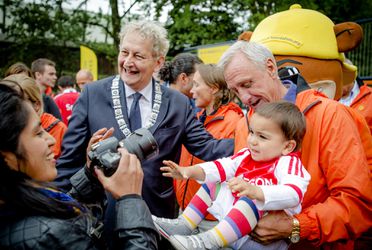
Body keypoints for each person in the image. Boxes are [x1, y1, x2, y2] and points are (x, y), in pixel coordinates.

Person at [55, 20, 234, 246]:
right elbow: (68, 164)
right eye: (124, 52)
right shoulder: (93, 94)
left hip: (158, 221)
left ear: (158, 62)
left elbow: (208, 148)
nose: (128, 62)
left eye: (138, 56)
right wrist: (59, 213)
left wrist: (252, 141)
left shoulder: (178, 103)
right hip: (101, 223)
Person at [218, 41, 371, 249]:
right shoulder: (244, 125)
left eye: (247, 84)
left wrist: (296, 227)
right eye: (235, 90)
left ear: (271, 68)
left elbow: (357, 204)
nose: (244, 98)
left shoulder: (329, 115)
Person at [0, 84, 158, 249]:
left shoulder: (19, 204)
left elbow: (58, 210)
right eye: (38, 133)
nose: (51, 140)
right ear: (7, 156)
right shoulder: (51, 235)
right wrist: (131, 200)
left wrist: (90, 175)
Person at [153, 101, 310, 250]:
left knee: (252, 198)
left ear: (288, 146)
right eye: (252, 133)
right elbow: (221, 166)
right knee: (214, 181)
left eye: (262, 137)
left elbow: (294, 193)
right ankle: (185, 224)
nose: (252, 141)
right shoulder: (246, 155)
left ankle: (207, 242)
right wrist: (188, 171)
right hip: (234, 231)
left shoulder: (287, 163)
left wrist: (257, 191)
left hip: (263, 240)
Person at [175, 63, 243, 226]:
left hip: (213, 219)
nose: (191, 91)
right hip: (187, 212)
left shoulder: (235, 122)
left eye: (197, 85)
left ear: (213, 88)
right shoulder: (195, 119)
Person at [1, 74, 67, 159]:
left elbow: (67, 168)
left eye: (18, 104)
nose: (9, 110)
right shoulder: (5, 129)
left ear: (36, 105)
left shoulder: (58, 129)